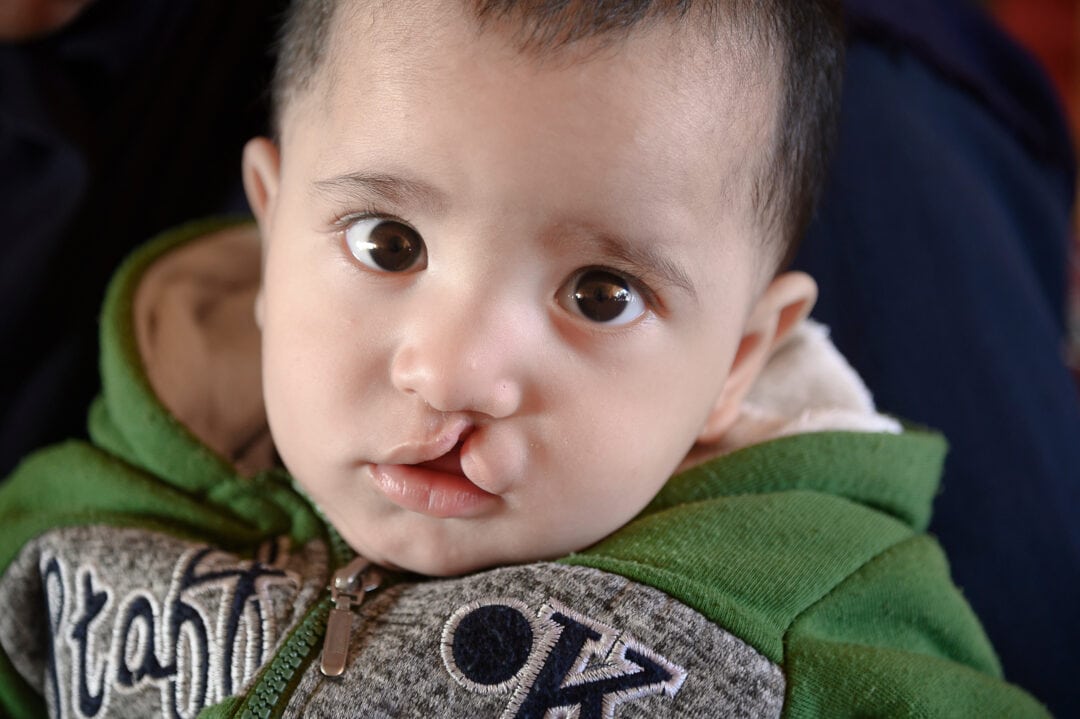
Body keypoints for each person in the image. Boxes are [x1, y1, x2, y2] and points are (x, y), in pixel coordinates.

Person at [0, 0, 1050, 717]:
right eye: (386, 243)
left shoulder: (812, 617)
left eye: (602, 294)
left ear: (738, 358)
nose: (451, 373)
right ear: (270, 238)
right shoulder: (79, 510)